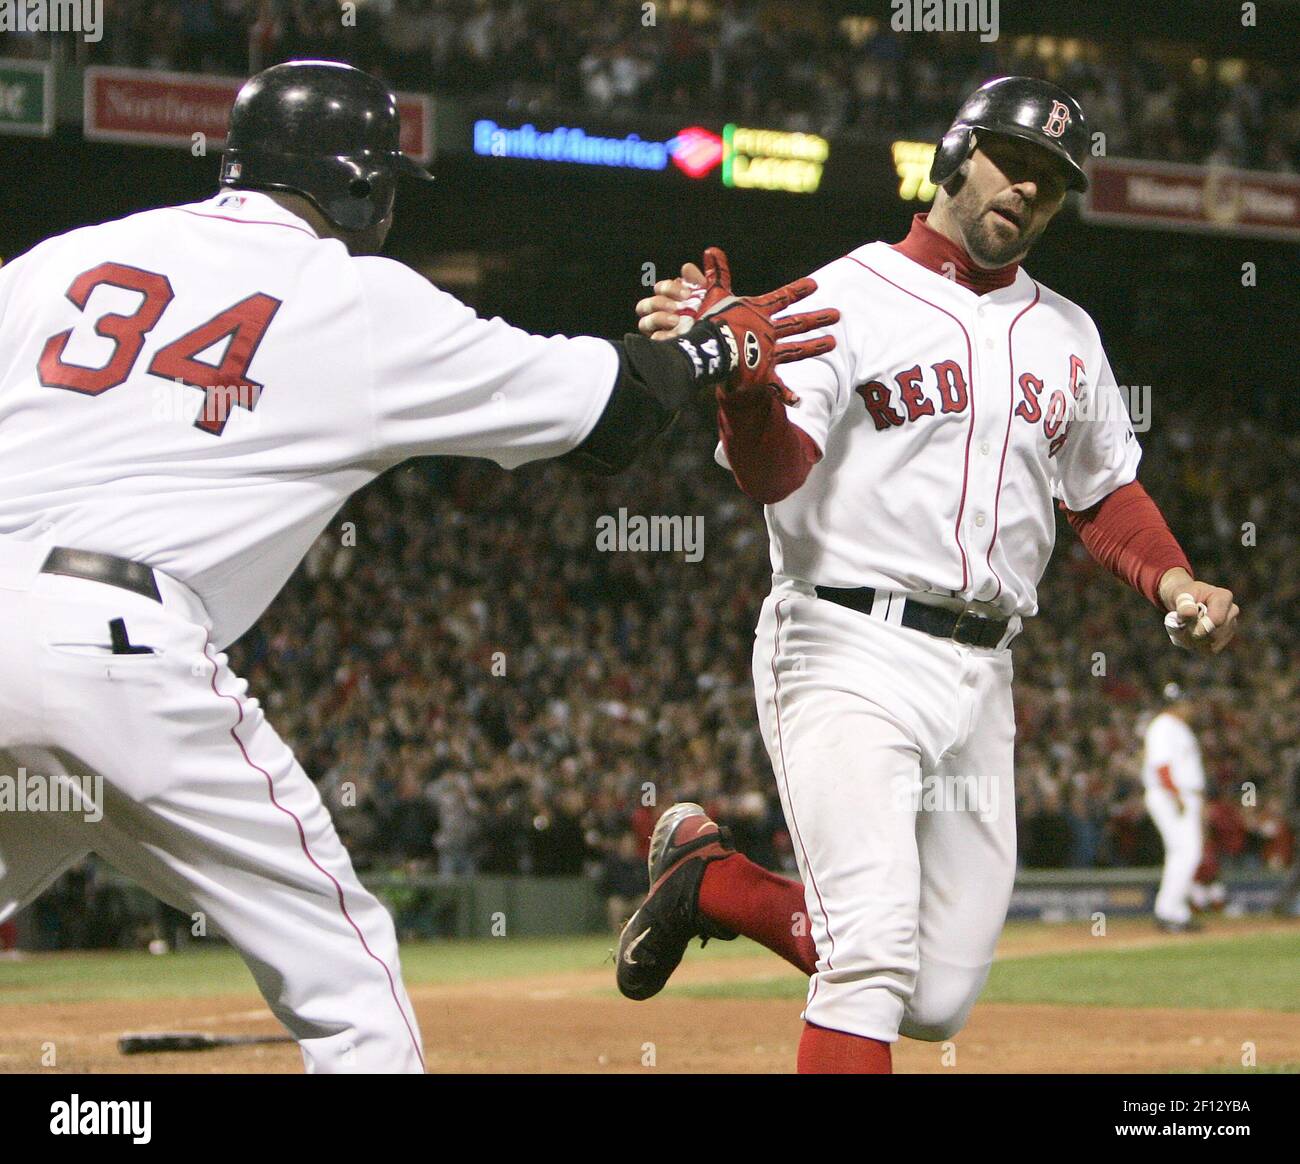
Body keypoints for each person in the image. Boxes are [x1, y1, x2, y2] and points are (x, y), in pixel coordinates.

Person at [0, 60, 834, 1073]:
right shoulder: (352, 295)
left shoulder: (63, 259)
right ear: (356, 181)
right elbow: (606, 412)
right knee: (351, 991)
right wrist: (710, 351)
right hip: (119, 647)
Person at [615, 76, 1241, 1073]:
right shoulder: (845, 293)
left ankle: (711, 879)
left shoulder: (1068, 333)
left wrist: (1174, 583)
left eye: (1051, 179)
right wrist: (744, 394)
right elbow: (775, 476)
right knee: (866, 954)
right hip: (843, 643)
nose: (1028, 189)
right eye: (1012, 159)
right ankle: (723, 887)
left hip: (982, 670)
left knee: (938, 995)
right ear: (954, 156)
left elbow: (1102, 494)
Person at [1141, 684, 1206, 932]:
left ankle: (1175, 911)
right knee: (1185, 852)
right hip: (1170, 794)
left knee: (1184, 853)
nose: (1189, 707)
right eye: (1185, 702)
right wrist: (1176, 794)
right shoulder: (1163, 726)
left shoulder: (1179, 728)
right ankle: (1169, 911)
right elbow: (1162, 765)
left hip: (1182, 795)